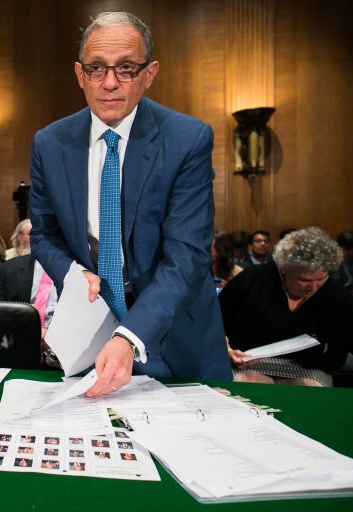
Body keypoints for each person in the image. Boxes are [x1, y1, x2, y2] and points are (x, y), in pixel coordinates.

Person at [29, 11, 231, 397]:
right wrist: (72, 272)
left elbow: (186, 256)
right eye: (96, 69)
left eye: (126, 68)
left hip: (176, 340)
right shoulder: (49, 143)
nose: (109, 83)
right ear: (79, 74)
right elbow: (44, 234)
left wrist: (129, 336)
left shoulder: (187, 139)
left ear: (149, 73)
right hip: (92, 341)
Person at [219, 227, 353, 386]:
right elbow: (215, 324)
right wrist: (228, 350)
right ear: (284, 268)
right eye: (304, 280)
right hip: (248, 364)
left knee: (312, 395)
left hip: (308, 368)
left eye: (320, 280)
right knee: (248, 390)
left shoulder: (335, 293)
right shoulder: (252, 280)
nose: (312, 288)